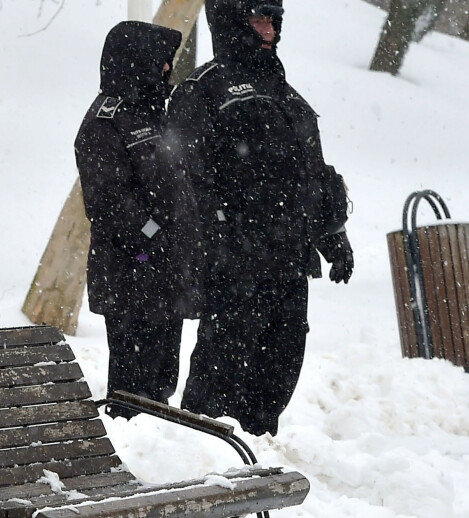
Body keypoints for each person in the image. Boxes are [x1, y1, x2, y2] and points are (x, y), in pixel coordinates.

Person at [162, 0, 353, 435]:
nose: (270, 32)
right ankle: (199, 455)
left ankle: (258, 455)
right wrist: (222, 241)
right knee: (220, 375)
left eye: (274, 21)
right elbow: (185, 181)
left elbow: (312, 171)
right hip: (236, 265)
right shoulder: (202, 90)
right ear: (233, 21)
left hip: (289, 262)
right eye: (259, 21)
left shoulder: (284, 91)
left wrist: (332, 235)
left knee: (278, 372)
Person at [74, 21, 188, 415]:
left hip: (162, 272)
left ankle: (160, 451)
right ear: (135, 60)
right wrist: (152, 235)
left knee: (160, 379)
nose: (165, 70)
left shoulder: (156, 113)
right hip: (130, 271)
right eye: (159, 61)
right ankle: (130, 450)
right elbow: (108, 200)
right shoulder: (106, 120)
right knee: (133, 385)